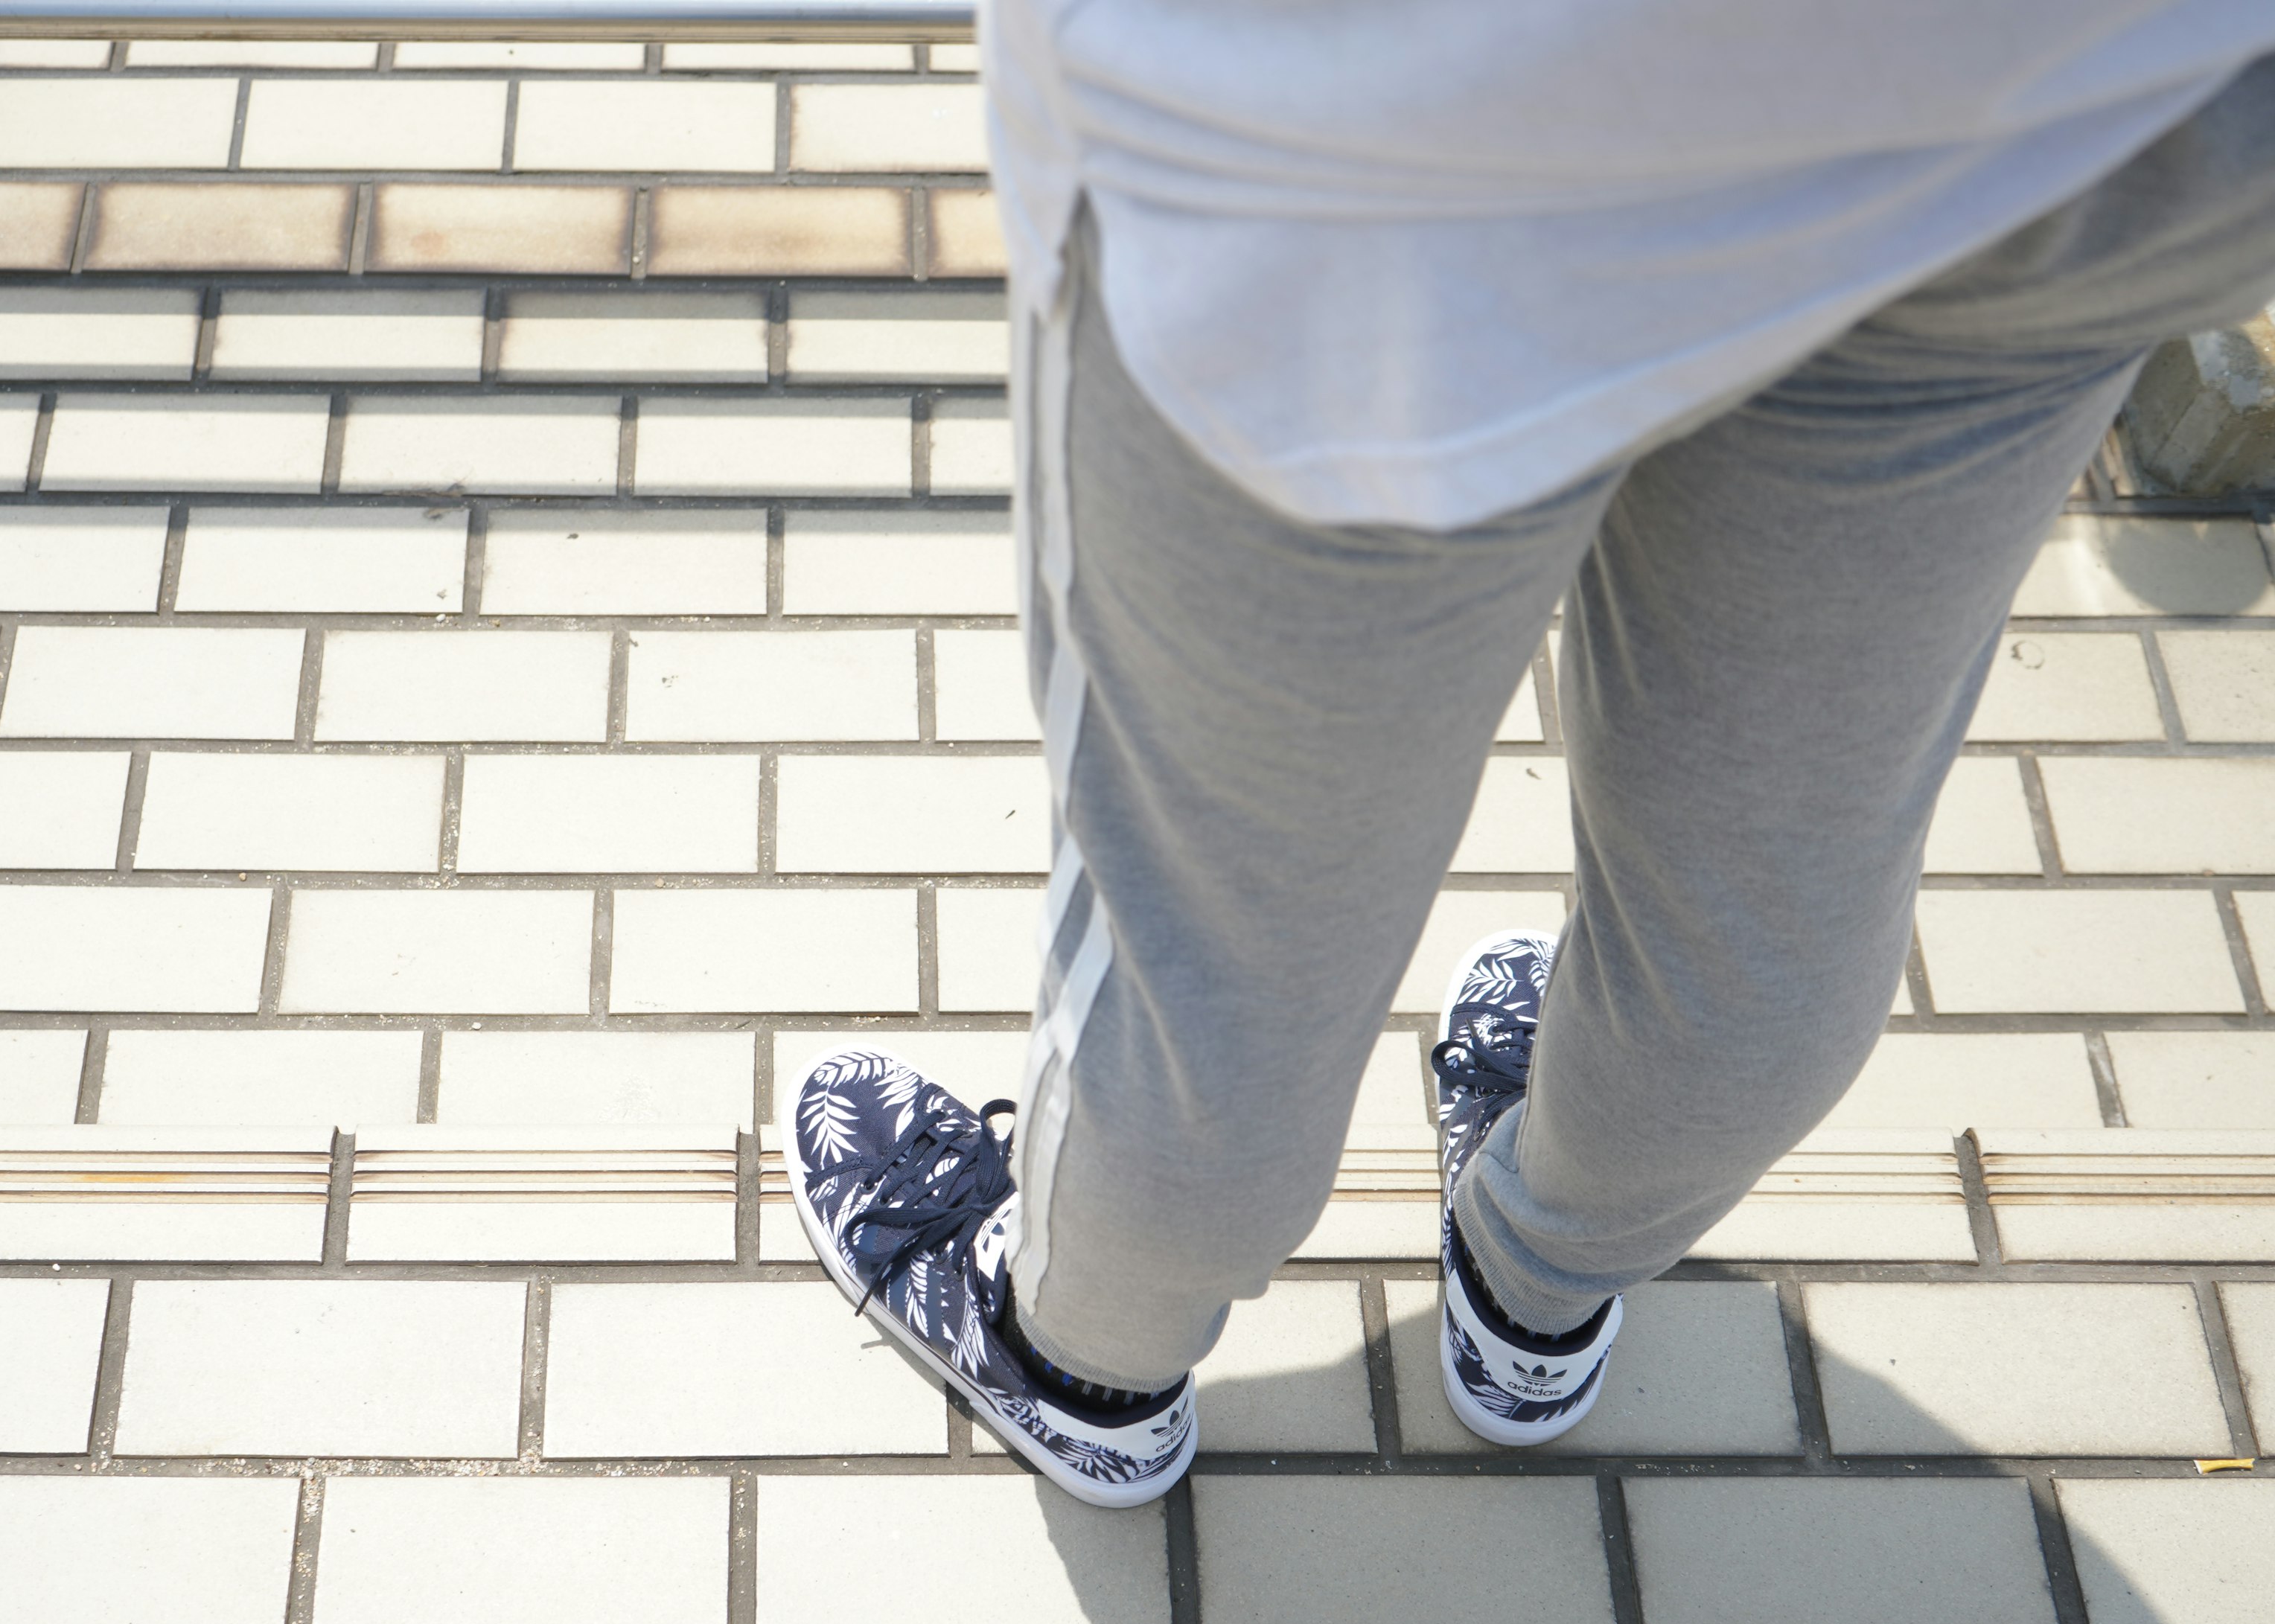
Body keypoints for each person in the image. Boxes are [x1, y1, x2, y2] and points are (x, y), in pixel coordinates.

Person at [785, 1, 2275, 1508]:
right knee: (1779, 866)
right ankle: (1537, 1294)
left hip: (1407, 153)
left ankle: (1083, 1360)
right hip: (2075, 137)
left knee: (1220, 926)